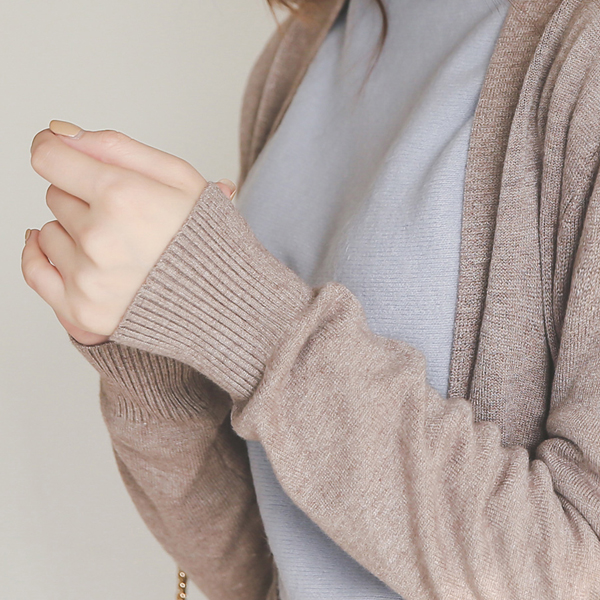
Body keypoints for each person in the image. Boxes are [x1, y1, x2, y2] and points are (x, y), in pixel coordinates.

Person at [21, 0, 600, 597]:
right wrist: (156, 351)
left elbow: (577, 573)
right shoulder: (297, 56)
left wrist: (241, 309)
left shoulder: (583, 52)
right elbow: (256, 571)